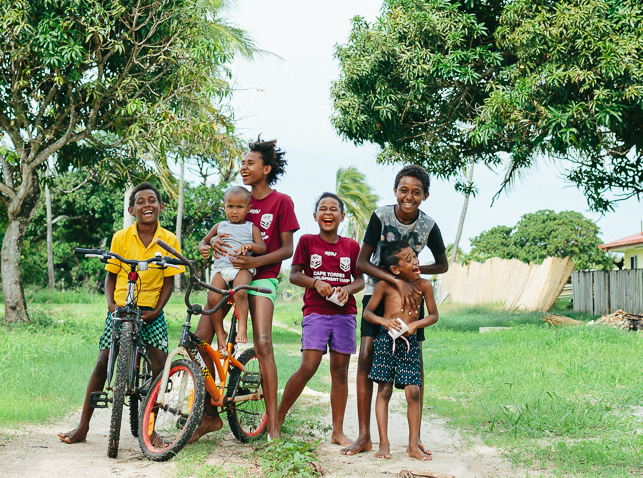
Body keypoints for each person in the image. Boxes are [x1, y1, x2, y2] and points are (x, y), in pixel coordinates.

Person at [190, 137, 298, 441]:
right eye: (243, 163)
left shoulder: (281, 202)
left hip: (262, 277)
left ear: (266, 168)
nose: (244, 167)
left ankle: (274, 425)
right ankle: (210, 416)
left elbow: (287, 249)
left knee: (263, 343)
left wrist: (254, 259)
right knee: (201, 338)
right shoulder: (236, 199)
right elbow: (217, 232)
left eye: (250, 163)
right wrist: (210, 242)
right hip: (229, 273)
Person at [58, 183, 183, 444]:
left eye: (152, 200)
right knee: (103, 361)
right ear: (131, 209)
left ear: (160, 207)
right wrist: (110, 305)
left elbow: (169, 282)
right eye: (140, 201)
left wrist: (157, 311)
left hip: (151, 310)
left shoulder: (169, 240)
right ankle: (83, 426)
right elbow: (111, 276)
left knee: (160, 366)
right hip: (121, 310)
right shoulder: (121, 237)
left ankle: (149, 429)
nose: (147, 205)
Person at [342, 165, 449, 456]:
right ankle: (364, 436)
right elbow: (362, 263)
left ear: (425, 196)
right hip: (379, 290)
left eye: (416, 192)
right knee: (366, 355)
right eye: (404, 190)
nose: (409, 196)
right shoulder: (381, 216)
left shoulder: (429, 225)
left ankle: (415, 440)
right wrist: (396, 280)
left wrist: (413, 274)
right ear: (395, 191)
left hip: (411, 299)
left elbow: (442, 264)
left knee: (416, 361)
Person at [274, 193, 365, 444]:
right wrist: (315, 282)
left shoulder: (351, 246)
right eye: (323, 209)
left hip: (344, 315)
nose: (328, 213)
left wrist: (347, 289)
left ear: (342, 216)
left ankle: (337, 431)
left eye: (334, 209)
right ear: (315, 216)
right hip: (315, 311)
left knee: (340, 371)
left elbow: (360, 280)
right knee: (309, 365)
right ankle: (277, 420)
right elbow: (294, 274)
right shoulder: (306, 241)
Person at [362, 242, 438, 460]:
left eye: (414, 256)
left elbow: (434, 315)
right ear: (395, 269)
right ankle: (383, 443)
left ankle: (413, 445)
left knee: (413, 391)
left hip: (410, 344)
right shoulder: (385, 286)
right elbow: (368, 314)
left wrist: (417, 324)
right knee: (384, 390)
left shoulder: (424, 285)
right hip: (387, 342)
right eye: (408, 259)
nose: (415, 261)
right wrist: (385, 322)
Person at [197, 184, 266, 350]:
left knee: (240, 292)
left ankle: (242, 326)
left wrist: (250, 246)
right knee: (212, 298)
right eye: (230, 207)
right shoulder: (219, 226)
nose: (234, 211)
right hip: (222, 269)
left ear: (248, 208)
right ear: (224, 207)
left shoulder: (251, 228)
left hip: (242, 268)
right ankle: (220, 332)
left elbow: (262, 247)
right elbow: (204, 241)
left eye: (240, 207)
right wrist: (203, 248)